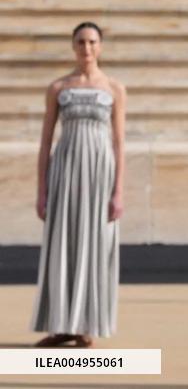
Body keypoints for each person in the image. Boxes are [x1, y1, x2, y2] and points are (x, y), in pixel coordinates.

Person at [32, 22, 126, 348]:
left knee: (94, 245)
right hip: (65, 173)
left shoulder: (114, 88)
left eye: (92, 42)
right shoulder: (58, 87)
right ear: (73, 46)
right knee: (62, 246)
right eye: (81, 42)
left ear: (100, 46)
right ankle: (61, 325)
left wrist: (118, 191)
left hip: (100, 175)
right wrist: (42, 190)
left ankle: (86, 324)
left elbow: (118, 143)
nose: (86, 48)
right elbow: (46, 141)